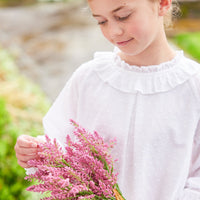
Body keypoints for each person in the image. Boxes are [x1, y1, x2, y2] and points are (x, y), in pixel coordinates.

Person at [15, 0, 200, 199]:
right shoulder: (90, 78)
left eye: (123, 16)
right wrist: (37, 151)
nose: (113, 32)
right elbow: (64, 145)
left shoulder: (193, 86)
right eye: (102, 21)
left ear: (162, 4)